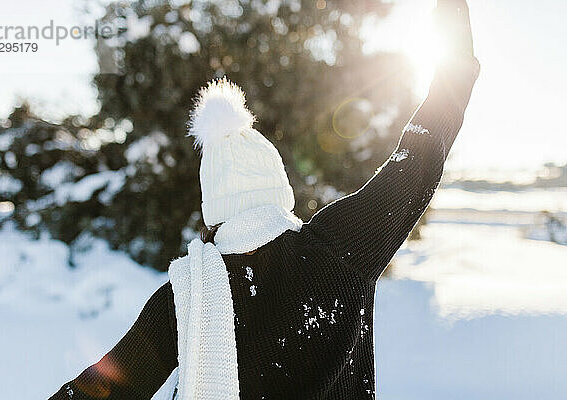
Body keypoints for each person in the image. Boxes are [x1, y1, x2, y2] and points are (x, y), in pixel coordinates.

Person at [50, 1, 480, 398]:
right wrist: (455, 54)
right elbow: (420, 155)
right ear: (277, 187)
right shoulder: (340, 247)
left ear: (213, 208)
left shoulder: (188, 296)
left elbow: (96, 392)